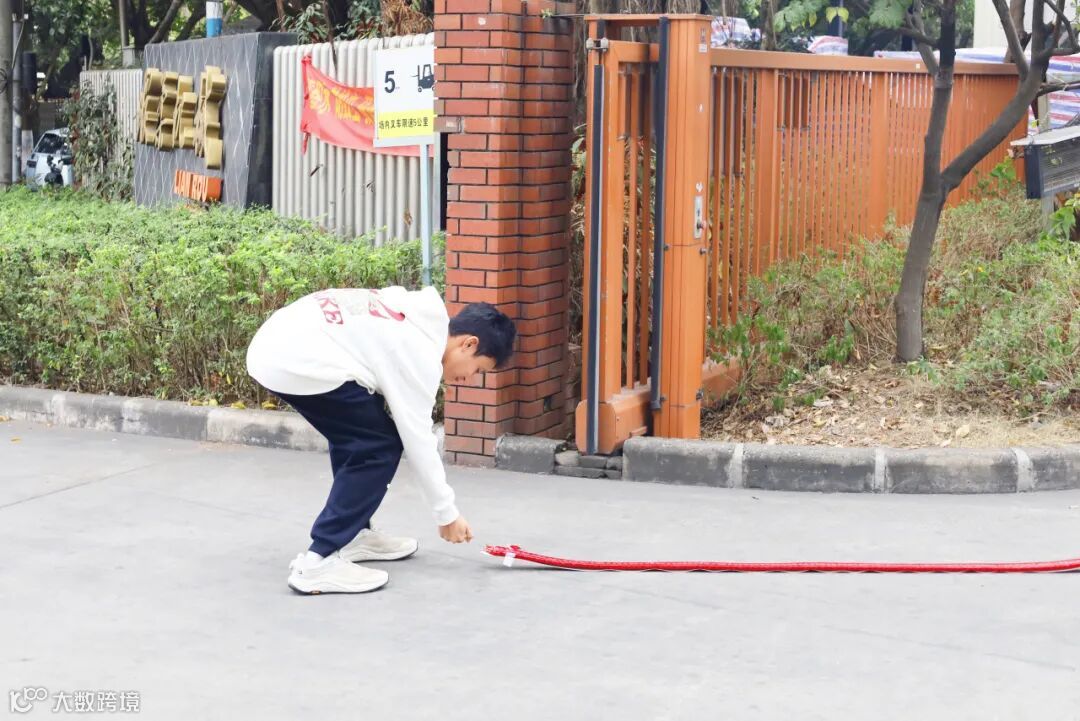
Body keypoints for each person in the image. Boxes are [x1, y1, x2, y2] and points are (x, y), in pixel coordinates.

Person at [246, 286, 516, 595]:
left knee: (360, 432)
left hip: (278, 346)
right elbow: (418, 440)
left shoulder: (414, 316)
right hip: (293, 358)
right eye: (478, 369)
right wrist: (447, 514)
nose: (469, 378)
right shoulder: (419, 352)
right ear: (469, 343)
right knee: (377, 448)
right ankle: (318, 561)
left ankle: (355, 533)